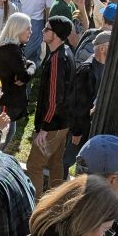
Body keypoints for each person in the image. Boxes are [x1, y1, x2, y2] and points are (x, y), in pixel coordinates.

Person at [26, 15, 75, 198]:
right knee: (56, 164)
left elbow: (54, 99)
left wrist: (44, 128)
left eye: (47, 28)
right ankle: (55, 202)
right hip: (63, 123)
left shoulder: (57, 60)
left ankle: (36, 205)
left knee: (34, 165)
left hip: (52, 125)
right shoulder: (66, 52)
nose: (42, 30)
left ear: (56, 35)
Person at [67, 30, 109, 157]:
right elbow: (78, 103)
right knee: (68, 158)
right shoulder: (88, 70)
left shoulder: (106, 66)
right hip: (79, 126)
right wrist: (77, 131)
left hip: (89, 123)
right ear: (102, 48)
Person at [0, 12, 36, 136]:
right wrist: (32, 66)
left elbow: (22, 69)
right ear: (18, 29)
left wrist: (28, 65)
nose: (31, 32)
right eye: (28, 28)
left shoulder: (9, 48)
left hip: (7, 100)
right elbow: (24, 76)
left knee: (7, 134)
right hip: (7, 102)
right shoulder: (12, 51)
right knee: (1, 138)